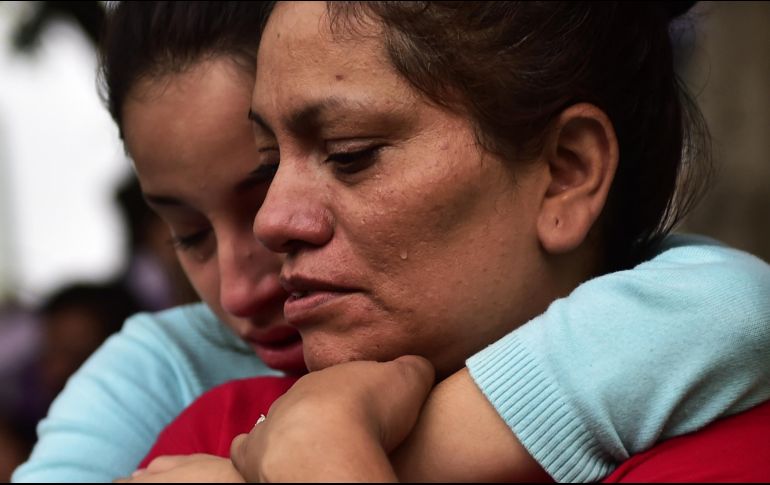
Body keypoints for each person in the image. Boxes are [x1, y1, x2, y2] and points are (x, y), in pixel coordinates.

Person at [13, 2, 770, 483]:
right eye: (272, 162)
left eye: (349, 153)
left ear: (566, 172)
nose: (273, 224)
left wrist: (325, 455)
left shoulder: (736, 447)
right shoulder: (209, 422)